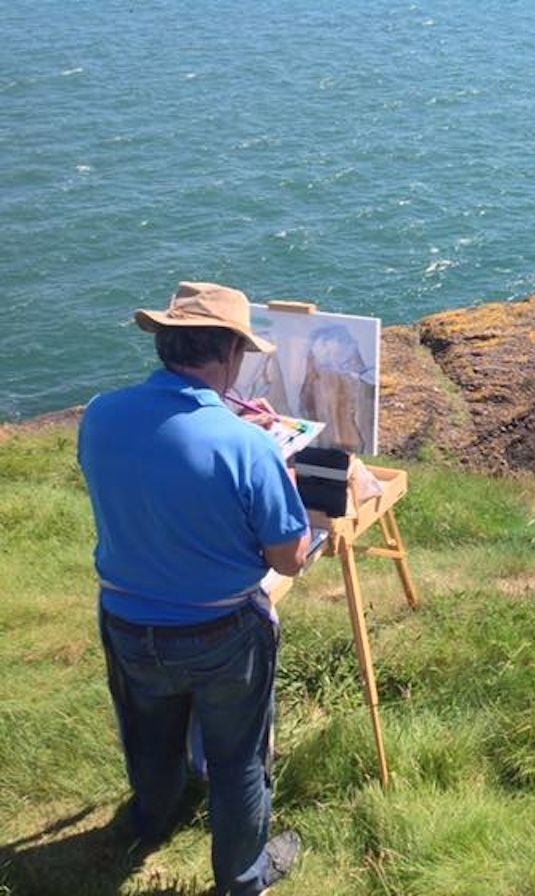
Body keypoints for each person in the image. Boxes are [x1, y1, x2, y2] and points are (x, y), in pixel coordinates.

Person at [78, 282, 310, 895]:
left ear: (165, 342)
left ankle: (151, 821)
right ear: (231, 354)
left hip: (126, 619)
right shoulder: (249, 445)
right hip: (223, 632)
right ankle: (243, 879)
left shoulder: (100, 414)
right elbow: (287, 560)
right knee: (237, 761)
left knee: (148, 736)